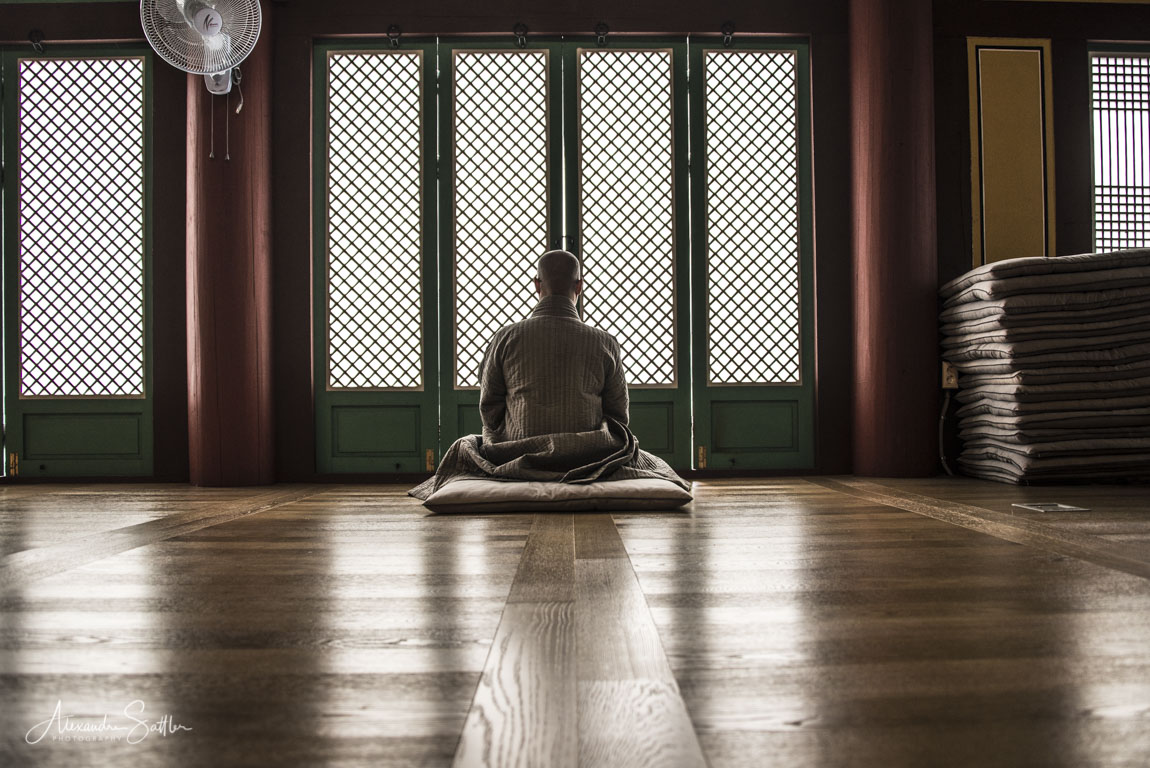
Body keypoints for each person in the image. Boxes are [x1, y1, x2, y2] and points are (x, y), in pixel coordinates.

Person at [409, 249, 687, 500]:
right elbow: (618, 416)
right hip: (590, 456)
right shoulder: (604, 341)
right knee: (639, 453)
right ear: (579, 286)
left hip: (516, 454)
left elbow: (489, 408)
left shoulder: (505, 337)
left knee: (466, 446)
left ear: (536, 285)